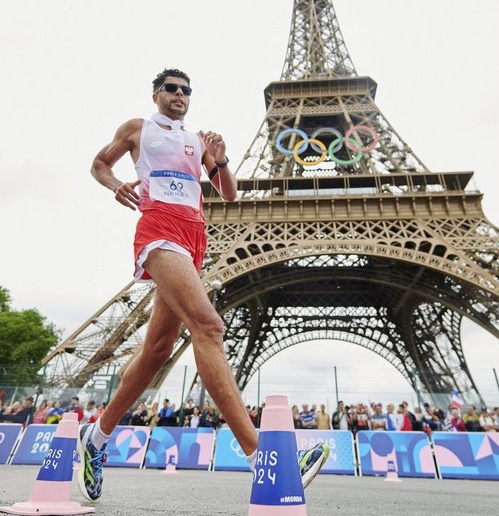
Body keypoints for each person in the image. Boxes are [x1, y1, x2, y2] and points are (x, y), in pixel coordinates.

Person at [78, 68, 328, 501]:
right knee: (209, 326)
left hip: (195, 237)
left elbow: (229, 194)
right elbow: (100, 163)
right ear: (156, 95)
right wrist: (116, 185)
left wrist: (222, 157)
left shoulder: (197, 141)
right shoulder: (138, 129)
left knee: (156, 352)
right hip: (159, 230)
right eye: (171, 89)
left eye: (186, 90)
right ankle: (263, 456)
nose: (179, 94)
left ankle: (95, 439)